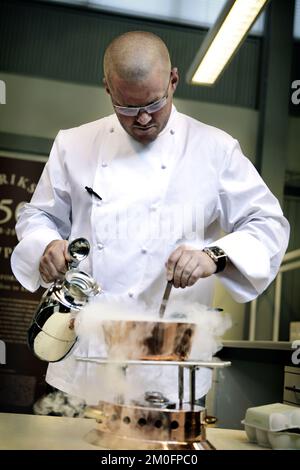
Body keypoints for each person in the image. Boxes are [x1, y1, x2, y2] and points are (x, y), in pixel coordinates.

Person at [11, 31, 289, 405]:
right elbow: (38, 215)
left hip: (170, 367)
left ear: (173, 80)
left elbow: (268, 223)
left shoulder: (214, 149)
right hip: (83, 361)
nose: (142, 118)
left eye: (155, 103)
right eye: (127, 107)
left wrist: (214, 256)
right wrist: (46, 244)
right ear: (107, 89)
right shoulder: (73, 144)